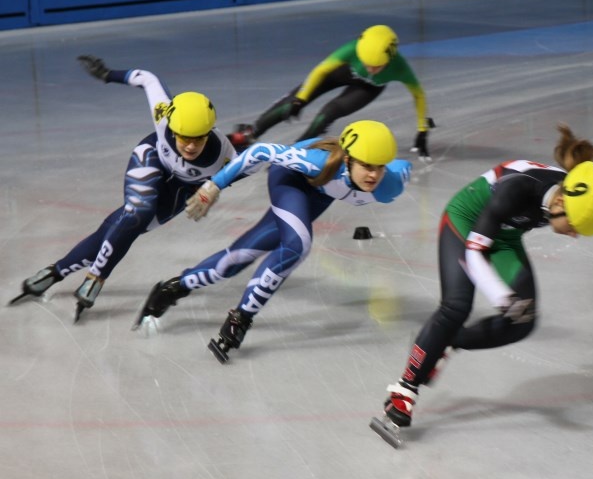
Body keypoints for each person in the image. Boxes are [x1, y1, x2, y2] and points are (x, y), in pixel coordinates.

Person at [369, 124, 593, 447]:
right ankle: (403, 392)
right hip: (465, 223)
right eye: (575, 227)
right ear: (559, 205)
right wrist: (502, 297)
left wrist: (510, 305)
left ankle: (441, 342)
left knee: (522, 322)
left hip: (504, 236)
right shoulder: (518, 190)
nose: (574, 235)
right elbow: (474, 252)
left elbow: (504, 241)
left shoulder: (567, 191)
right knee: (457, 305)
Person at [135, 119, 412, 363]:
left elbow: (402, 167)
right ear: (348, 159)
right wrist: (213, 185)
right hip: (289, 180)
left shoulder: (392, 182)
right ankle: (240, 318)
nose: (374, 175)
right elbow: (259, 152)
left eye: (379, 167)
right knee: (297, 244)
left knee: (237, 258)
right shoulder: (317, 161)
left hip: (318, 193)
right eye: (366, 166)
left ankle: (174, 288)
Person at [9, 56, 235, 322]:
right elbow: (148, 79)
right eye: (183, 136)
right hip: (151, 158)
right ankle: (96, 278)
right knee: (138, 211)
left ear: (209, 132)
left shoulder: (226, 156)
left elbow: (259, 159)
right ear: (171, 127)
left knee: (122, 228)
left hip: (181, 190)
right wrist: (107, 74)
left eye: (198, 139)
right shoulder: (164, 115)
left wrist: (214, 187)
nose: (189, 146)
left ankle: (53, 273)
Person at [227, 25, 434, 162]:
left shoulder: (400, 67)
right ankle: (251, 133)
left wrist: (422, 129)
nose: (370, 69)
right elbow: (321, 70)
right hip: (339, 73)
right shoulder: (353, 49)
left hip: (366, 89)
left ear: (390, 59)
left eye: (377, 66)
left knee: (328, 113)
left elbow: (419, 95)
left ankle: (295, 154)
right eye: (366, 63)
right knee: (293, 101)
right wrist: (301, 99)